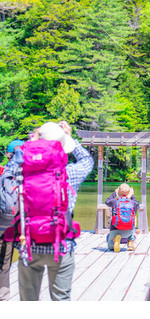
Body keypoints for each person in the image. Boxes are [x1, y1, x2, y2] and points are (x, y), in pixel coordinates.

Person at [17, 121, 94, 301]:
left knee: (28, 303)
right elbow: (87, 161)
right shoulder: (69, 173)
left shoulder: (21, 171)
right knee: (60, 299)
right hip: (61, 246)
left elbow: (10, 166)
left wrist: (32, 142)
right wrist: (69, 136)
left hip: (29, 245)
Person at [0, 139, 24, 301]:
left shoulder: (3, 172)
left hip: (5, 222)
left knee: (4, 260)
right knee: (32, 259)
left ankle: (3, 295)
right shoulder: (36, 172)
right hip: (28, 224)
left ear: (9, 155)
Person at [105, 183, 139, 252]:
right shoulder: (133, 202)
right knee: (133, 218)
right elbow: (137, 204)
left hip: (115, 229)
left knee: (110, 246)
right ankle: (130, 241)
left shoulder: (115, 201)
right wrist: (132, 195)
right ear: (130, 193)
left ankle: (115, 240)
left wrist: (114, 193)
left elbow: (107, 201)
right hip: (129, 231)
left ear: (118, 192)